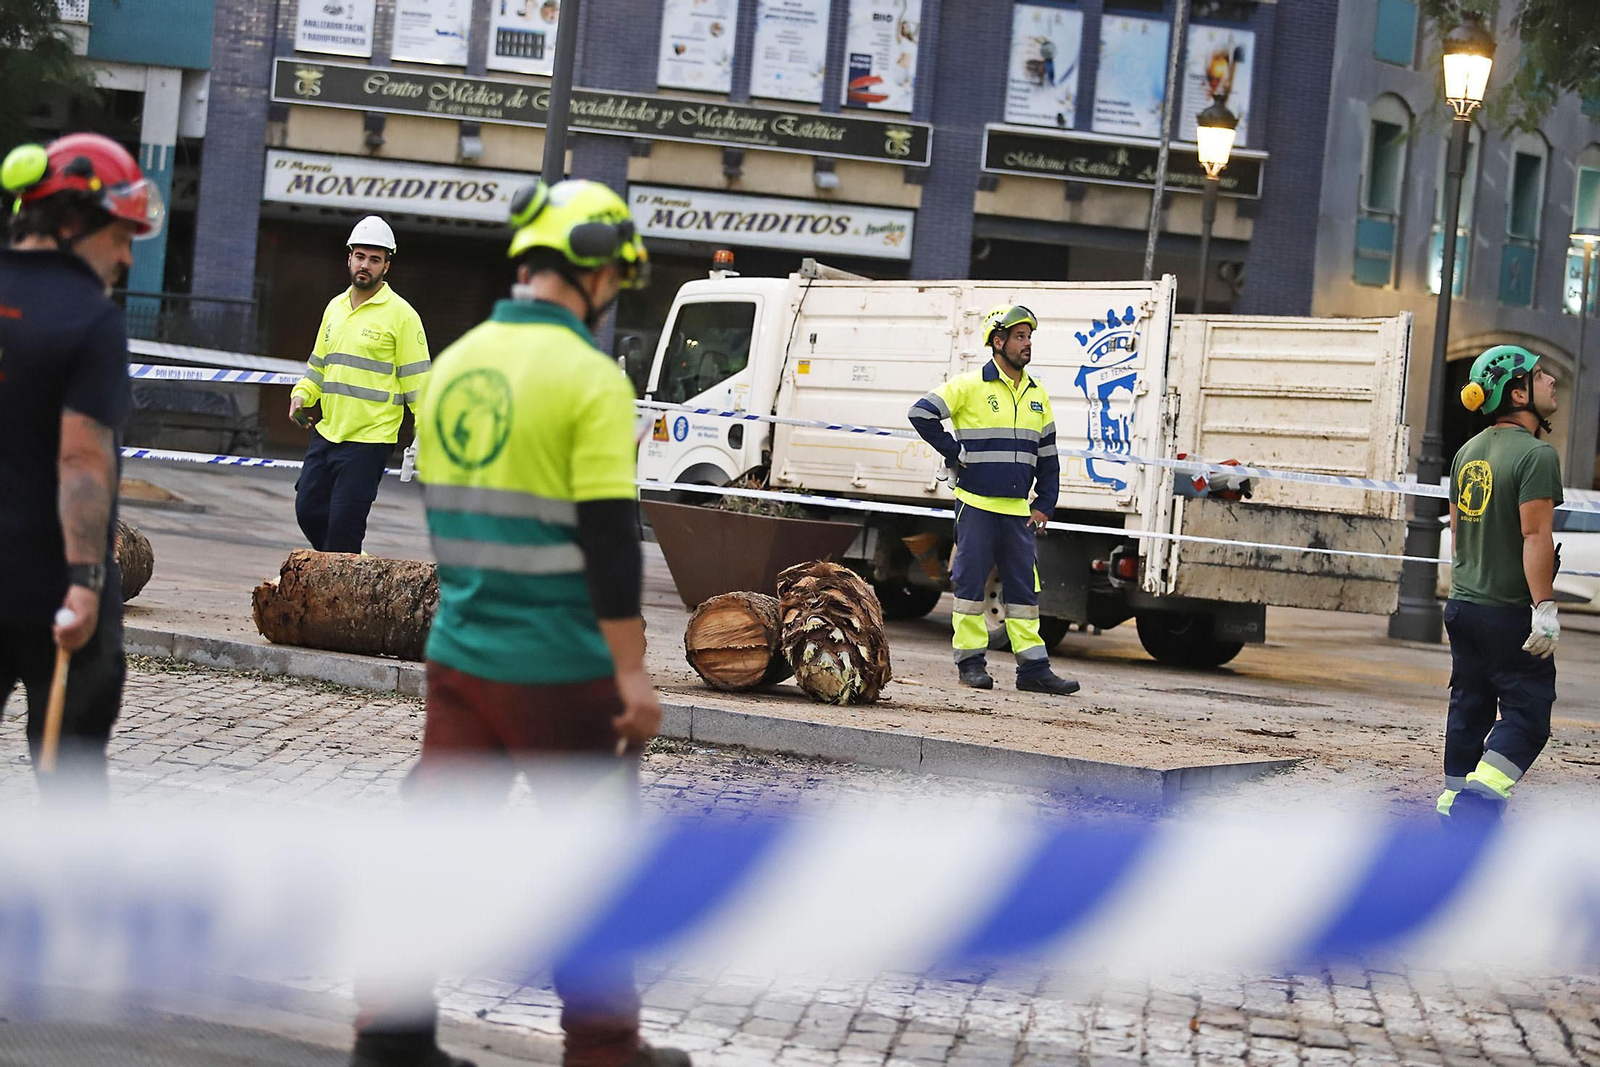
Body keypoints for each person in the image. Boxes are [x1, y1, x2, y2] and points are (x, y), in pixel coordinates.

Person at [349, 180, 688, 1067]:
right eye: (614, 276)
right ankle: (605, 1048)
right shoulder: (591, 379)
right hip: (561, 665)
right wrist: (631, 673)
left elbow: (448, 516)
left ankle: (389, 1033)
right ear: (594, 271)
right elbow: (610, 543)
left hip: (461, 653)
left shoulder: (456, 365)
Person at [0, 133, 164, 793]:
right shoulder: (91, 321)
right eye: (120, 236)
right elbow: (82, 459)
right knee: (69, 785)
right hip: (51, 587)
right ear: (71, 222)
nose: (126, 257)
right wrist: (86, 581)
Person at [908, 304, 1080, 696]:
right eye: (1019, 337)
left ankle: (1034, 669)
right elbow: (920, 414)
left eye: (1029, 337)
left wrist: (1045, 503)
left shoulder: (1037, 393)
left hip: (1019, 512)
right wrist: (954, 451)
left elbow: (1048, 454)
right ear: (997, 342)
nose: (1027, 344)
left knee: (1024, 594)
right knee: (970, 589)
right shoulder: (969, 385)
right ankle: (970, 665)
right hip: (977, 507)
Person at [1438, 344, 1563, 823]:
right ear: (1518, 393)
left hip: (1463, 606)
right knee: (1528, 712)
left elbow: (1458, 533)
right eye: (1539, 374)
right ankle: (1481, 795)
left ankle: (1451, 801)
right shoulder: (1537, 455)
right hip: (1508, 611)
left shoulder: (1467, 452)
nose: (1550, 380)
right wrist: (1544, 607)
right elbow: (1535, 535)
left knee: (1469, 706)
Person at [289, 215, 430, 554]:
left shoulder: (402, 316)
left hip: (369, 440)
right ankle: (351, 563)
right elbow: (318, 365)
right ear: (349, 258)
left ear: (386, 267)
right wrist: (301, 395)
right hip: (328, 432)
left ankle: (344, 571)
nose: (366, 265)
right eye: (361, 256)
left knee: (344, 525)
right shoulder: (334, 308)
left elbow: (419, 381)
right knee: (308, 510)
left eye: (375, 259)